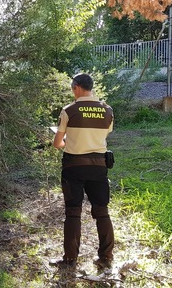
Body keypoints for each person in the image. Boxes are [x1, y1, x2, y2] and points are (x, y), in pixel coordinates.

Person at [51, 73, 114, 270]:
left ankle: (70, 259)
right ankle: (106, 256)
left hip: (73, 168)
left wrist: (66, 141)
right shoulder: (107, 111)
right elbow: (102, 135)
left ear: (77, 87)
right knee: (102, 212)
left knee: (73, 213)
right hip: (99, 167)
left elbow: (57, 143)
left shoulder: (69, 110)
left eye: (72, 89)